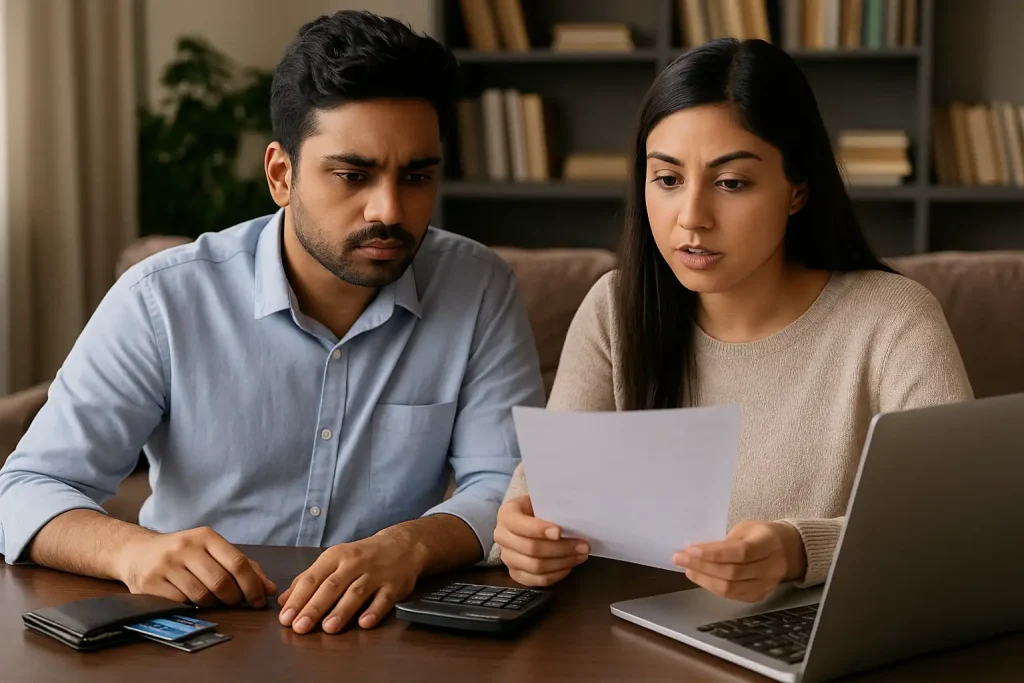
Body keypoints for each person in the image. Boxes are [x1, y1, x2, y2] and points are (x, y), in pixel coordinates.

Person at [0, 11, 545, 635]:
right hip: (197, 634)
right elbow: (29, 486)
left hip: (384, 636)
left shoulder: (479, 289)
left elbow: (504, 485)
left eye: (417, 176)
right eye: (353, 175)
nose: (391, 209)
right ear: (281, 175)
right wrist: (134, 552)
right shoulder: (163, 299)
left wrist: (411, 544)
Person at [491, 38, 972, 601]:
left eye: (731, 183)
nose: (692, 218)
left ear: (796, 190)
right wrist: (523, 539)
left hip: (818, 641)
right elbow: (534, 506)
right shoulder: (615, 309)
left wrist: (797, 551)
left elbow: (955, 523)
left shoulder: (893, 320)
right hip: (634, 642)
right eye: (667, 180)